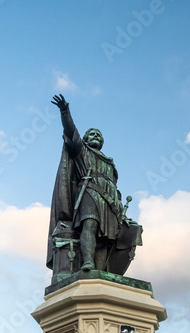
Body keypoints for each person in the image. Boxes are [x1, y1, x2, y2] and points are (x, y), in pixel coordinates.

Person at [47, 94, 123, 271]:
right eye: (92, 134)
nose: (95, 136)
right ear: (86, 139)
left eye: (99, 135)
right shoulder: (82, 151)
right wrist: (65, 111)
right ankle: (88, 261)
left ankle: (99, 268)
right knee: (90, 224)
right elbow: (71, 132)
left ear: (102, 142)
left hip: (110, 200)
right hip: (90, 190)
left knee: (106, 236)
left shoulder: (109, 162)